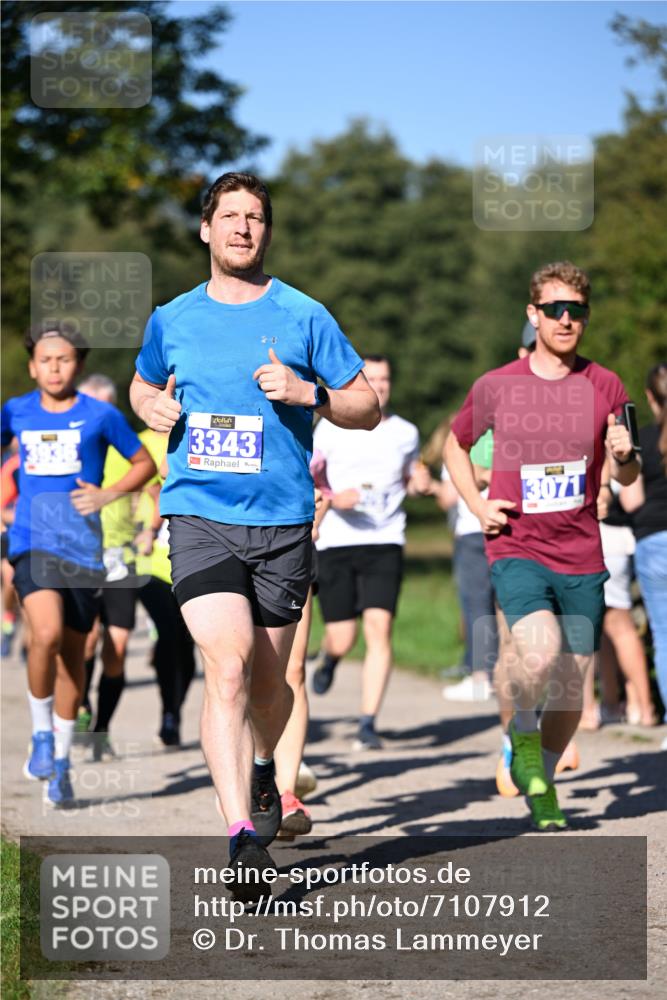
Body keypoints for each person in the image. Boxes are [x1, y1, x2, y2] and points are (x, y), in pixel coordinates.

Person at [130, 172, 379, 899]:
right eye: (229, 216)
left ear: (267, 232)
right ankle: (241, 835)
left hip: (281, 523)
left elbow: (363, 403)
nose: (242, 228)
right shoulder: (171, 317)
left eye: (255, 218)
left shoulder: (303, 314)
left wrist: (313, 396)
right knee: (230, 669)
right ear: (205, 230)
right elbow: (145, 383)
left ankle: (265, 766)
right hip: (200, 516)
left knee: (270, 687)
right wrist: (151, 407)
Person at [445, 261, 639, 830]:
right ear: (533, 315)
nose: (565, 320)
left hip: (582, 553)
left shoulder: (606, 386)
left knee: (573, 683)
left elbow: (628, 479)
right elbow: (456, 448)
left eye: (575, 310)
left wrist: (625, 457)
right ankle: (519, 733)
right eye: (554, 309)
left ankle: (543, 777)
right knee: (536, 650)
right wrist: (479, 507)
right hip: (518, 546)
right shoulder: (498, 385)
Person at [0, 324, 155, 807]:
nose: (54, 368)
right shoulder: (15, 411)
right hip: (31, 542)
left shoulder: (101, 415)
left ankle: (62, 764)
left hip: (84, 553)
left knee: (74, 659)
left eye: (64, 359)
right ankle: (42, 736)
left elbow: (144, 462)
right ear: (32, 366)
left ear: (79, 365)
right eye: (45, 360)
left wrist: (110, 493)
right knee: (43, 635)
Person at [310, 355, 432, 749]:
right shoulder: (329, 428)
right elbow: (306, 479)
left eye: (385, 378)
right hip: (337, 541)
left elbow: (409, 477)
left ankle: (367, 721)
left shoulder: (405, 432)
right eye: (371, 378)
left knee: (380, 629)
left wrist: (420, 482)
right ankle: (329, 657)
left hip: (385, 539)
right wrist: (332, 497)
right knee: (343, 637)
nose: (379, 385)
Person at [621, 363, 667, 725]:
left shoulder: (645, 440)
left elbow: (632, 501)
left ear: (650, 398)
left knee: (664, 638)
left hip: (653, 541)